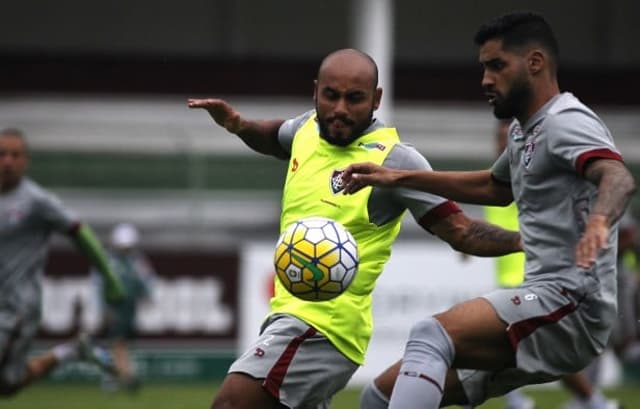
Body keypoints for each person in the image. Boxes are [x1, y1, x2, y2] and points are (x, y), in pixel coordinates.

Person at [187, 48, 524, 409]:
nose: (340, 110)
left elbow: (463, 231)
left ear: (376, 99)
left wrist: (529, 240)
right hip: (286, 315)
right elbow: (273, 137)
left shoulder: (394, 160)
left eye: (355, 99)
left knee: (231, 404)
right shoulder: (307, 128)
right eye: (331, 96)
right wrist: (239, 125)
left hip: (323, 328)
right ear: (316, 92)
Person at [342, 11, 636, 409]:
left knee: (432, 334)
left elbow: (617, 176)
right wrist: (398, 177)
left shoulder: (565, 121)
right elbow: (495, 188)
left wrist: (599, 221)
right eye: (483, 68)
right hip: (548, 303)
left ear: (535, 63)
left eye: (496, 66)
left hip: (572, 303)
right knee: (379, 395)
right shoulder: (523, 130)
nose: (485, 80)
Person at [464, 120, 620, 409]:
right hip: (509, 274)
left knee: (533, 348)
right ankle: (526, 400)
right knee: (512, 347)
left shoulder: (528, 173)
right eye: (498, 140)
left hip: (533, 274)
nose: (502, 145)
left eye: (506, 140)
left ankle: (590, 401)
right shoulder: (499, 176)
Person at [0, 128, 125, 396]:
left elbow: (80, 232)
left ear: (26, 160)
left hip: (15, 308)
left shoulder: (36, 201)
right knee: (7, 385)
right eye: (1, 154)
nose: (8, 161)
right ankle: (73, 351)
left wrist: (109, 276)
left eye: (15, 155)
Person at [95, 222, 154, 392]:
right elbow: (99, 286)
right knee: (117, 342)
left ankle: (118, 375)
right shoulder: (109, 262)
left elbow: (145, 282)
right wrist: (103, 308)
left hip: (130, 308)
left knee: (122, 343)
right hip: (115, 308)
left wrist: (147, 296)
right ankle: (123, 376)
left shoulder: (136, 262)